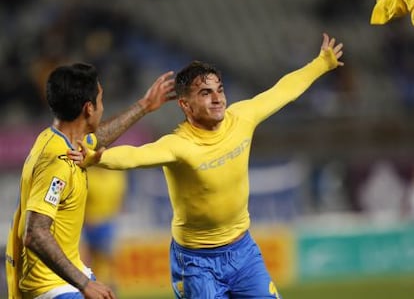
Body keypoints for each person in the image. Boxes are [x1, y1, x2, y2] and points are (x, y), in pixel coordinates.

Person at [70, 33, 344, 298]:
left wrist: (321, 63)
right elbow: (136, 156)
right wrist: (97, 158)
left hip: (243, 252)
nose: (217, 98)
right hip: (195, 263)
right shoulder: (179, 145)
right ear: (185, 105)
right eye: (205, 93)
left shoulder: (242, 118)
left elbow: (282, 91)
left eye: (219, 90)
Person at [5, 63, 175, 299]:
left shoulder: (61, 139)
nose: (102, 108)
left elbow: (99, 138)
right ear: (88, 108)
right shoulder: (56, 162)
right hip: (51, 288)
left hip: (68, 275)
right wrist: (85, 284)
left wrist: (144, 106)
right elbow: (35, 232)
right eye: (101, 101)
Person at [80, 167, 128, 290]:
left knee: (107, 259)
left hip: (108, 222)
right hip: (90, 223)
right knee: (90, 260)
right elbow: (81, 200)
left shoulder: (117, 176)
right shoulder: (88, 175)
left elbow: (120, 200)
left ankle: (107, 289)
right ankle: (93, 288)